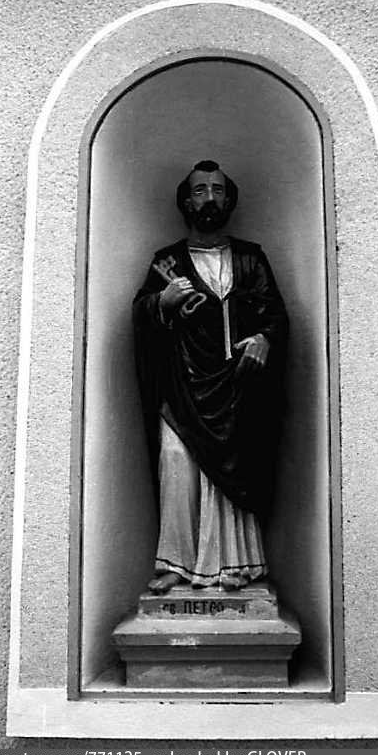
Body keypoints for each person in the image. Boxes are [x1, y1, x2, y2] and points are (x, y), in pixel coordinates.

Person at [133, 160, 288, 593]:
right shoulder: (167, 262)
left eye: (218, 190)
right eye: (200, 190)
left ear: (229, 199)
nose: (210, 198)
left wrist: (264, 339)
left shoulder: (250, 259)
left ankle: (238, 563)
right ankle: (177, 563)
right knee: (176, 463)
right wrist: (162, 302)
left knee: (236, 466)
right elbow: (140, 316)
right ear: (186, 201)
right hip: (182, 385)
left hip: (238, 385)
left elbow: (275, 315)